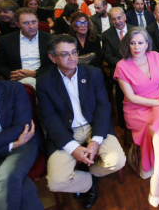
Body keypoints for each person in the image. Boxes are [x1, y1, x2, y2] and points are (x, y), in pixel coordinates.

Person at [36, 34, 126, 209]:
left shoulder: (93, 73)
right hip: (66, 132)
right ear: (52, 57)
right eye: (64, 54)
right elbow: (49, 118)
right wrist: (73, 148)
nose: (72, 58)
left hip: (94, 126)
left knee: (117, 161)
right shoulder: (44, 82)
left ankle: (90, 172)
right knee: (55, 182)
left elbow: (103, 106)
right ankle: (89, 183)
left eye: (74, 52)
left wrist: (96, 141)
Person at [114, 27, 159, 207]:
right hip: (137, 109)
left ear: (147, 44)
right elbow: (130, 97)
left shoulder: (156, 57)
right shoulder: (122, 65)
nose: (137, 47)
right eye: (132, 43)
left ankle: (158, 179)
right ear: (127, 44)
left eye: (141, 42)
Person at [0, 80, 44, 210]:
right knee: (25, 188)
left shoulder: (14, 88)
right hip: (14, 143)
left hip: (24, 144)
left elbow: (21, 127)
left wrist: (15, 144)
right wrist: (11, 145)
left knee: (7, 178)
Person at [0, 8, 52, 88]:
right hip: (17, 81)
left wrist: (36, 73)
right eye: (26, 23)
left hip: (45, 77)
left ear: (38, 21)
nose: (31, 26)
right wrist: (12, 75)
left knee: (31, 82)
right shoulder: (5, 40)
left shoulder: (50, 39)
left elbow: (55, 63)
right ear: (18, 24)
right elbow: (0, 65)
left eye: (34, 22)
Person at [102, 7, 134, 129]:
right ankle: (124, 124)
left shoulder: (134, 30)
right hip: (119, 72)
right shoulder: (107, 35)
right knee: (121, 98)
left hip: (137, 69)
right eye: (113, 19)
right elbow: (108, 56)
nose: (117, 21)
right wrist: (124, 67)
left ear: (124, 17)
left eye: (119, 17)